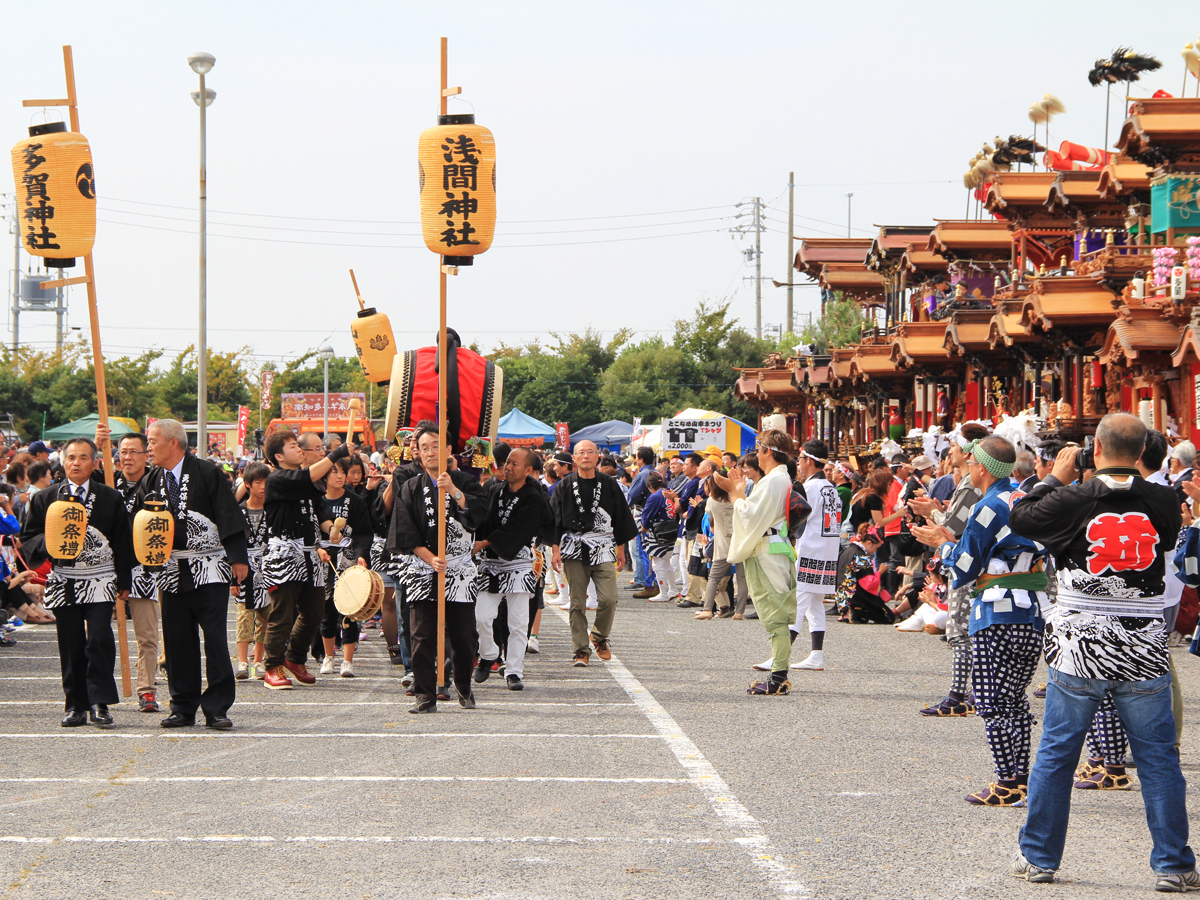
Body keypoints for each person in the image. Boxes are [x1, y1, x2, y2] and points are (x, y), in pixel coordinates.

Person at [1009, 415, 1196, 890]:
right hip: (1142, 642)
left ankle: (1040, 858)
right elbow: (1169, 542)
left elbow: (1021, 518)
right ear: (1140, 454)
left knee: (1057, 751)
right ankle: (1173, 865)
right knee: (1157, 758)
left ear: (1094, 450)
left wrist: (1055, 477)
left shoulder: (1072, 497)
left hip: (1080, 642)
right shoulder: (1165, 499)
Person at [913, 435, 1049, 807]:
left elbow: (962, 569)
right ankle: (1020, 779)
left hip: (997, 611)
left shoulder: (988, 506)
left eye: (970, 463)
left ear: (984, 467)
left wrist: (940, 544)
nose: (967, 468)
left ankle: (1009, 782)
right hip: (1032, 610)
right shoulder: (1024, 497)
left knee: (992, 700)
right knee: (1015, 700)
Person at [141, 419, 248, 730]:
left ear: (173, 443)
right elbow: (139, 524)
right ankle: (183, 706)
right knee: (177, 640)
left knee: (214, 638)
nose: (149, 447)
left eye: (153, 441)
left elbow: (228, 512)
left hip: (209, 566)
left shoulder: (206, 472)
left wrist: (238, 558)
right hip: (171, 568)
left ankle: (216, 707)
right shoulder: (152, 480)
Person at [21, 437, 134, 727]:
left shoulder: (109, 497)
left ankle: (100, 702)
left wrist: (124, 578)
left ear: (94, 462)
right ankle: (75, 704)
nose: (76, 463)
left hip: (100, 577)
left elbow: (122, 539)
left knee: (98, 637)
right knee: (70, 640)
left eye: (84, 457)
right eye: (71, 457)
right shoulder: (46, 497)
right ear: (63, 461)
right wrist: (50, 543)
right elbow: (28, 536)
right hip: (64, 577)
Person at [390, 424, 488, 713]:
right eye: (425, 447)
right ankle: (424, 694)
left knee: (464, 635)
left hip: (458, 569)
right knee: (421, 634)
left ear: (447, 451)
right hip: (424, 567)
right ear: (417, 453)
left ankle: (464, 686)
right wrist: (429, 557)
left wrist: (453, 491)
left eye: (437, 446)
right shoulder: (410, 487)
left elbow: (478, 516)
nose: (431, 452)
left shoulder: (466, 481)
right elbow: (404, 532)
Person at [907, 422, 990, 717]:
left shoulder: (969, 485)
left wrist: (932, 512)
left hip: (965, 563)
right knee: (969, 633)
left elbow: (953, 529)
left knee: (960, 631)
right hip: (973, 562)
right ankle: (976, 691)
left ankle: (959, 694)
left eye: (954, 445)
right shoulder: (970, 484)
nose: (950, 450)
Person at [259, 429, 340, 690]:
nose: (300, 450)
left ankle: (294, 658)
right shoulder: (277, 478)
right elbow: (305, 476)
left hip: (309, 555)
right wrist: (337, 453)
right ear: (279, 456)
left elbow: (321, 511)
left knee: (314, 613)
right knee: (282, 614)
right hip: (284, 555)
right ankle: (272, 666)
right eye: (293, 446)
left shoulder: (308, 482)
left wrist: (332, 529)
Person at [718, 430, 796, 695]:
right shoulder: (776, 478)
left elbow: (750, 515)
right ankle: (778, 674)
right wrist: (739, 491)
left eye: (759, 448)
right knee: (775, 614)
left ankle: (778, 678)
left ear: (768, 452)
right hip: (771, 548)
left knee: (775, 617)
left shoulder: (775, 480)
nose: (757, 454)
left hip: (768, 552)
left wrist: (733, 493)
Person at [550, 439, 638, 667]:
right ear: (575, 458)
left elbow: (620, 515)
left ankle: (598, 637)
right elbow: (555, 519)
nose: (586, 456)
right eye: (582, 453)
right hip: (573, 546)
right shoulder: (565, 484)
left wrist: (621, 548)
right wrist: (555, 548)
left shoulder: (609, 484)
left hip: (604, 545)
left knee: (609, 598)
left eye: (591, 452)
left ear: (598, 456)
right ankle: (581, 650)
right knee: (577, 603)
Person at [473, 448, 554, 691]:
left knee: (518, 622)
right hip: (490, 563)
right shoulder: (494, 489)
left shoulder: (534, 496)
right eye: (507, 462)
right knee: (481, 616)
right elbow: (482, 521)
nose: (507, 467)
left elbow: (520, 529)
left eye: (514, 464)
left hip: (518, 563)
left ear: (528, 470)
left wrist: (484, 542)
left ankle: (514, 671)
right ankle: (489, 653)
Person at [95, 424, 162, 713]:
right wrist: (99, 446)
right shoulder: (106, 481)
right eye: (122, 452)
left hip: (143, 569)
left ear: (147, 454)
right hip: (106, 567)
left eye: (134, 452)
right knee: (96, 631)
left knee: (147, 634)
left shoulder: (157, 484)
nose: (128, 457)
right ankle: (96, 691)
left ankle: (147, 690)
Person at [318, 457, 373, 677]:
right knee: (327, 612)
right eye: (334, 472)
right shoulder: (317, 501)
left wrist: (361, 555)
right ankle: (329, 657)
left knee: (350, 611)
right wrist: (317, 549)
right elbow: (311, 532)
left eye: (343, 472)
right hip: (323, 561)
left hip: (348, 560)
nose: (340, 476)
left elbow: (363, 532)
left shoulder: (355, 501)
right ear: (324, 476)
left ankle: (347, 661)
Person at [234, 461, 270, 681]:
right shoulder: (238, 513)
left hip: (269, 571)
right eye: (258, 482)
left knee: (266, 618)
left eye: (267, 482)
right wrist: (232, 580)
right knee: (244, 617)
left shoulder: (273, 511)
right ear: (247, 484)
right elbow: (231, 546)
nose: (263, 487)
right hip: (244, 570)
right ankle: (242, 662)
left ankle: (258, 661)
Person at [696, 471, 735, 619]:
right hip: (732, 551)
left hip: (719, 554)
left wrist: (704, 545)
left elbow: (707, 553)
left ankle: (719, 608)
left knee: (714, 583)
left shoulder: (713, 503)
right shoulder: (732, 499)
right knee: (724, 585)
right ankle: (730, 609)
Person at [640, 472, 680, 602]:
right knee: (666, 562)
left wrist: (643, 529)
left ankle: (663, 592)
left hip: (658, 533)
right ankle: (672, 589)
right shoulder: (671, 492)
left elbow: (646, 516)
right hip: (672, 530)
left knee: (658, 564)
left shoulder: (655, 496)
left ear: (650, 485)